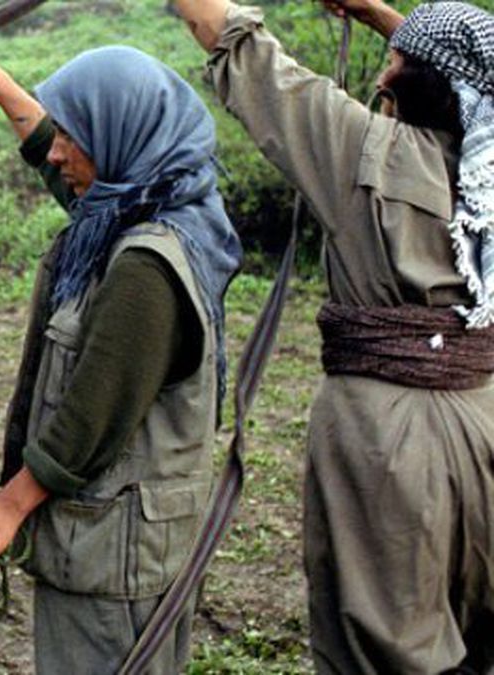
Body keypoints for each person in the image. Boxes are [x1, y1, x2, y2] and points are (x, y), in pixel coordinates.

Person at [172, 0, 494, 672]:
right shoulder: (485, 168)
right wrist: (382, 15)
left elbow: (238, 44)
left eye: (397, 56)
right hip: (482, 413)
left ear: (401, 80)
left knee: (384, 643)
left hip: (388, 438)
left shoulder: (364, 152)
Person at [0, 4, 242, 671]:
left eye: (77, 136)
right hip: (130, 540)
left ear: (121, 137)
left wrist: (7, 508)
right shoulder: (156, 198)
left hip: (114, 555)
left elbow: (92, 413)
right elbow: (62, 165)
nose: (59, 152)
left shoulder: (145, 268)